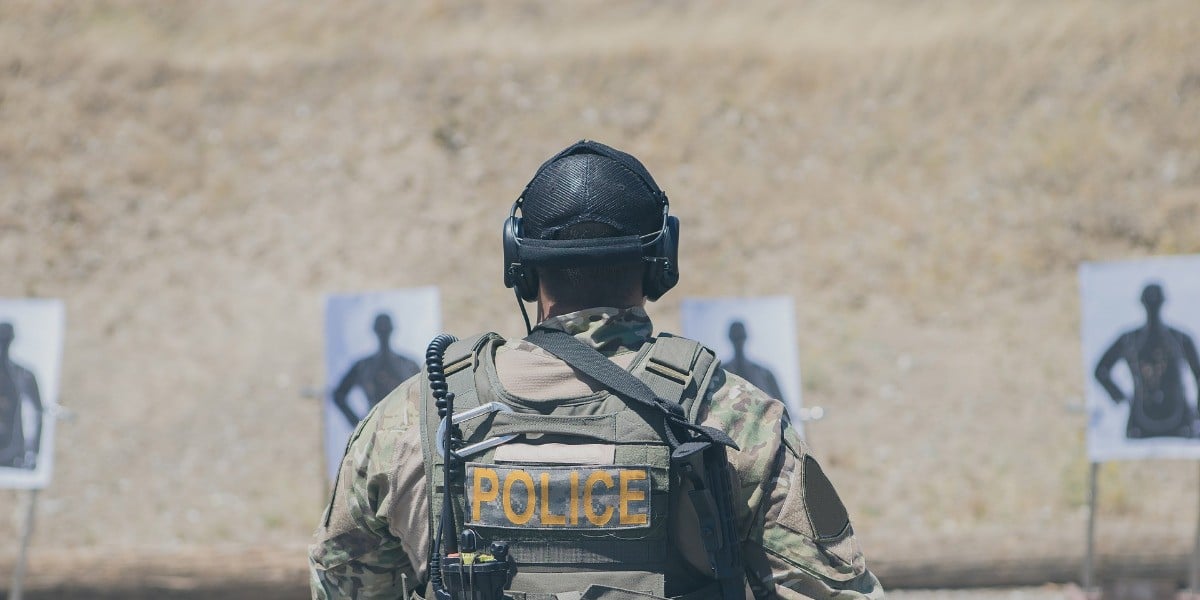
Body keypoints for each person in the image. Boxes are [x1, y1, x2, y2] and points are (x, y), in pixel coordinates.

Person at [310, 140, 883, 600]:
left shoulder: (413, 419)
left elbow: (342, 577)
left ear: (520, 267)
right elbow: (833, 588)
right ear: (663, 262)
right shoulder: (733, 416)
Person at [1094, 283, 1200, 439]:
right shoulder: (1131, 340)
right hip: (1144, 422)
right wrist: (1120, 397)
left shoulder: (1179, 339)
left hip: (1176, 421)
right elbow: (1101, 371)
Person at [331, 313, 421, 428]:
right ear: (375, 331)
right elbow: (338, 395)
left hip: (405, 427)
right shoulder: (362, 366)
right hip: (375, 429)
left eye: (386, 329)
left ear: (391, 330)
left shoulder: (409, 364)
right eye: (380, 329)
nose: (383, 333)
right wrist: (358, 424)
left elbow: (423, 395)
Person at [0, 322, 43, 470]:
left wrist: (32, 450)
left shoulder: (23, 375)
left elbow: (35, 414)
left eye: (4, 341)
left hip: (13, 451)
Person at [725, 320, 785, 404]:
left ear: (745, 337)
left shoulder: (764, 373)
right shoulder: (721, 373)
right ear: (730, 338)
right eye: (736, 337)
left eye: (740, 337)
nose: (738, 341)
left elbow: (782, 408)